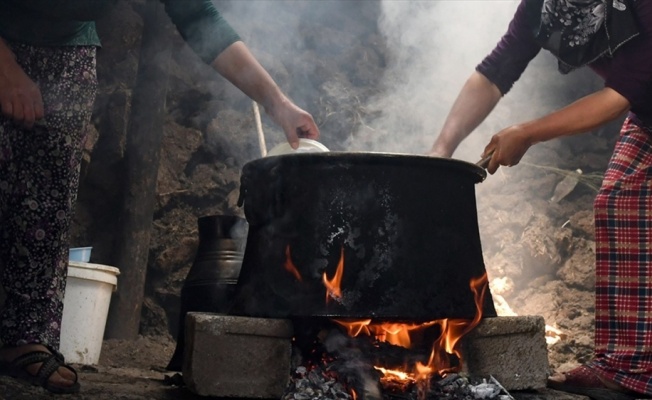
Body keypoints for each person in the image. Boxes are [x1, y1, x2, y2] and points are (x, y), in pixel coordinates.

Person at [0, 0, 319, 394]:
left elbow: (200, 18)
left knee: (46, 199)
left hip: (65, 49)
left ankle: (23, 336)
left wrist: (279, 105)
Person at [429, 0, 652, 399]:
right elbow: (495, 72)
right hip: (648, 115)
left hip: (638, 100)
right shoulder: (546, 6)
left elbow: (618, 96)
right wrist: (441, 150)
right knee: (618, 202)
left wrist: (528, 132)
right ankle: (627, 366)